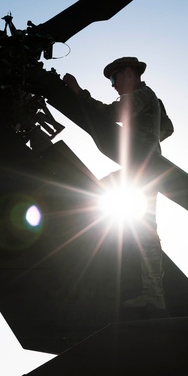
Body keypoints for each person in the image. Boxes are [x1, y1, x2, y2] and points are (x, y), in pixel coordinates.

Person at [63, 57, 171, 310]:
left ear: (129, 73)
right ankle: (154, 295)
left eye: (114, 78)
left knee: (86, 197)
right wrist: (149, 136)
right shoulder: (149, 99)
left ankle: (147, 291)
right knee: (145, 234)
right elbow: (168, 127)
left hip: (141, 169)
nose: (112, 85)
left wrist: (79, 92)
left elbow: (111, 113)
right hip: (145, 168)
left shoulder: (142, 94)